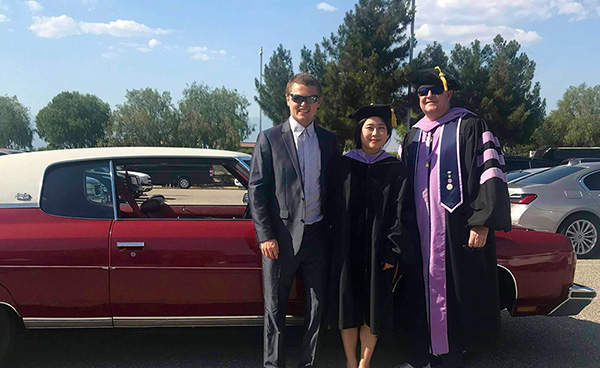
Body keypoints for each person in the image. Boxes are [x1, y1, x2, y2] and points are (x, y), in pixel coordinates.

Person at [395, 67, 511, 368]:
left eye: (434, 90)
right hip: (420, 232)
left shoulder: (471, 126)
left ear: (448, 94)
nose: (428, 96)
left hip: (458, 230)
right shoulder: (413, 136)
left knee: (459, 292)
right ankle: (422, 355)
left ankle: (452, 355)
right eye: (422, 91)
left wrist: (482, 220)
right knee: (419, 291)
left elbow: (490, 173)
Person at [249, 72, 340, 368]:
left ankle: (308, 364)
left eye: (311, 98)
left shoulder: (328, 140)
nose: (304, 104)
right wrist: (265, 236)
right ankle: (274, 365)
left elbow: (335, 189)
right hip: (280, 239)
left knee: (316, 310)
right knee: (275, 310)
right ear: (288, 99)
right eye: (298, 97)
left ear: (318, 102)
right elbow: (257, 191)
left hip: (317, 238)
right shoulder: (270, 139)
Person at [328, 105, 422, 368]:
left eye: (382, 128)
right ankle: (349, 361)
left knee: (374, 307)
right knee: (347, 305)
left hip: (379, 250)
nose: (376, 133)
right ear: (360, 131)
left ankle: (364, 363)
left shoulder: (396, 168)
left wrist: (392, 251)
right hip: (347, 248)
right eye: (370, 127)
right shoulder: (343, 165)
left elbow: (402, 212)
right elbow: (331, 207)